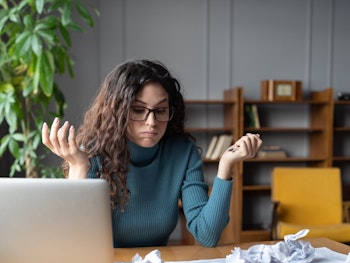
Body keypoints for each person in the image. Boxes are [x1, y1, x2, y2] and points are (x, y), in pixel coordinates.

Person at [42, 59, 262, 248]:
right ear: (118, 111)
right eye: (138, 110)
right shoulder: (94, 154)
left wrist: (226, 166)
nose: (151, 122)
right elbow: (75, 242)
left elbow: (207, 235)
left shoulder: (182, 153)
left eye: (160, 110)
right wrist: (79, 168)